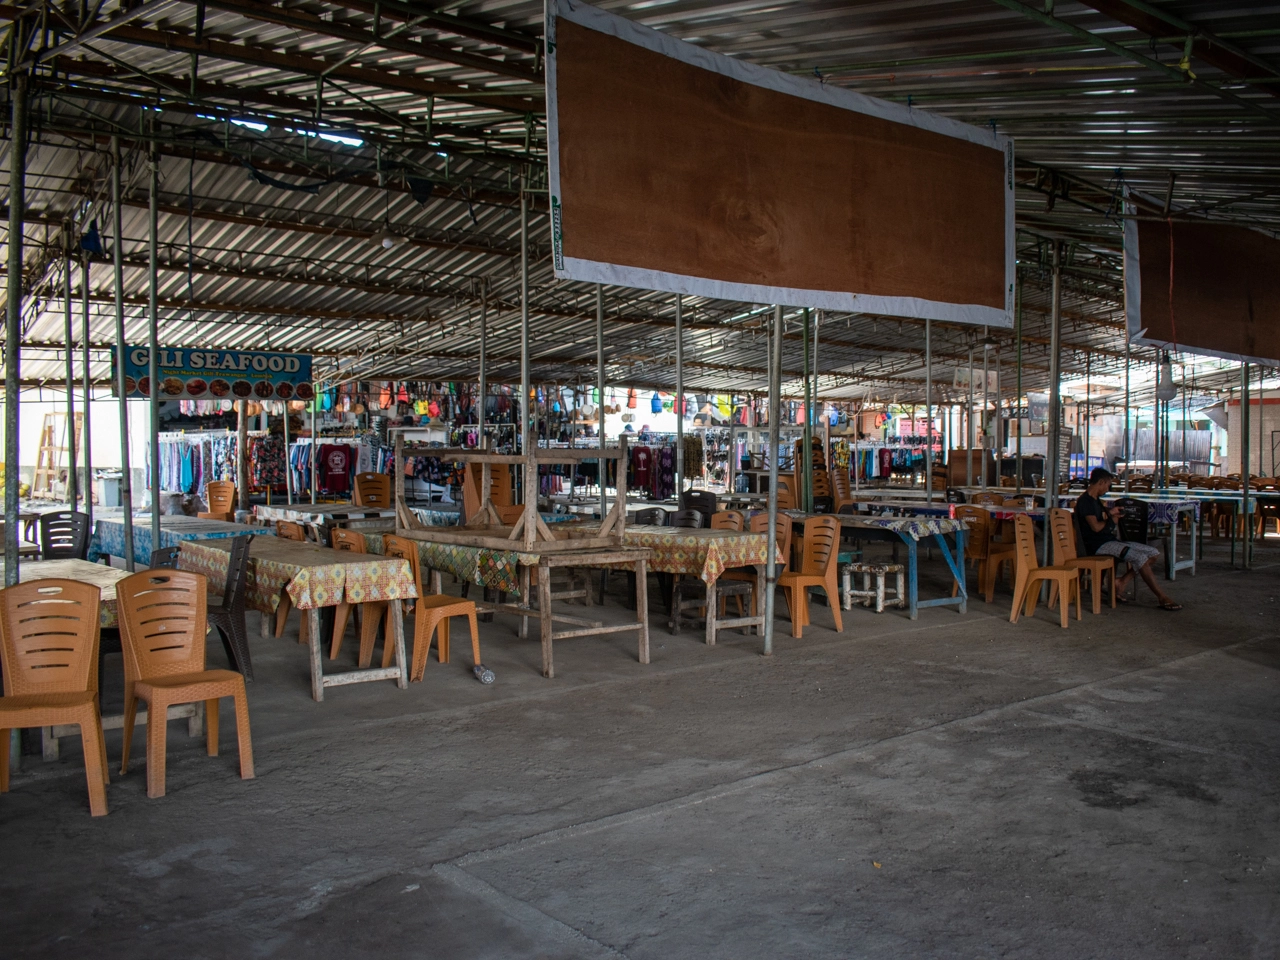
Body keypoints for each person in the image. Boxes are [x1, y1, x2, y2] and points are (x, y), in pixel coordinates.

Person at [1075, 467, 1182, 611]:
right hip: (1098, 544)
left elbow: (1100, 519)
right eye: (1108, 485)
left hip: (1109, 541)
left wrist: (1111, 513)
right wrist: (1112, 518)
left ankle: (1122, 581)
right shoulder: (1085, 502)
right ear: (1101, 482)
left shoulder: (1096, 500)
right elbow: (1095, 527)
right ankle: (1162, 597)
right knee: (1139, 557)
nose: (1108, 488)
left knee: (1153, 553)